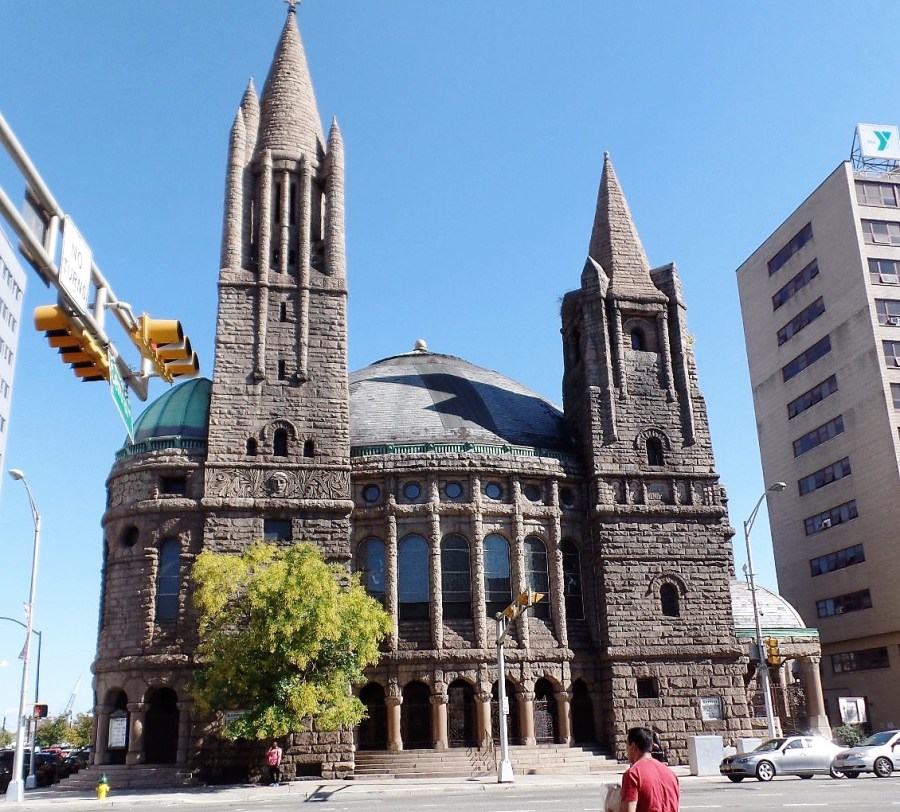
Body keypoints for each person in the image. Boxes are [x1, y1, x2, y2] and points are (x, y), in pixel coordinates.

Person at [620, 726, 679, 812]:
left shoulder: (633, 774)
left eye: (627, 746)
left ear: (633, 747)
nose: (626, 751)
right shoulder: (670, 773)